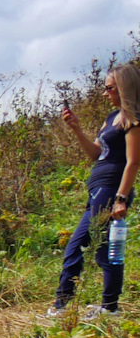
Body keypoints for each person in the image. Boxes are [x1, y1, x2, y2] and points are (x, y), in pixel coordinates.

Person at [51, 64, 140, 318]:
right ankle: (109, 308)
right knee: (105, 250)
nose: (104, 93)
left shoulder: (132, 119)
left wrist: (121, 199)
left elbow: (133, 161)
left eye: (109, 88)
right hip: (98, 189)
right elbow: (96, 154)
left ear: (124, 88)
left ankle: (62, 306)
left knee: (76, 245)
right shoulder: (112, 117)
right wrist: (76, 129)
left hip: (111, 190)